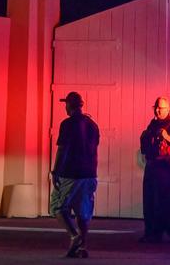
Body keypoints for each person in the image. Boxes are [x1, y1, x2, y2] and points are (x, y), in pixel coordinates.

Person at [50, 91, 100, 258]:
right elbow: (95, 151)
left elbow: (63, 149)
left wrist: (55, 171)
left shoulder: (67, 124)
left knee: (57, 206)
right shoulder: (93, 125)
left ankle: (74, 235)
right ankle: (82, 247)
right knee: (83, 211)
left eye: (66, 104)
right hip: (89, 174)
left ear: (69, 105)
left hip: (71, 173)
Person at [139, 96, 170, 243]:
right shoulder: (152, 124)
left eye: (160, 108)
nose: (157, 110)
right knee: (149, 201)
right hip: (152, 166)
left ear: (167, 109)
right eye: (155, 107)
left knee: (161, 201)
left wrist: (167, 137)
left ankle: (158, 234)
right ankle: (149, 233)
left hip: (166, 168)